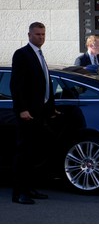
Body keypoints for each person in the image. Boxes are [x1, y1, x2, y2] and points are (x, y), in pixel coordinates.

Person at [10, 22, 60, 204]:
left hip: (41, 113)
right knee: (23, 153)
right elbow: (17, 85)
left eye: (43, 34)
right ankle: (19, 193)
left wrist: (51, 107)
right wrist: (22, 109)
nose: (41, 37)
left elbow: (45, 83)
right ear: (29, 35)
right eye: (38, 34)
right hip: (27, 113)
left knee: (34, 154)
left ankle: (30, 189)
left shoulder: (40, 55)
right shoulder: (22, 54)